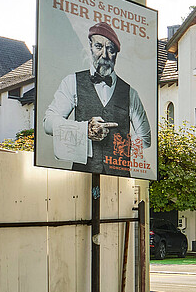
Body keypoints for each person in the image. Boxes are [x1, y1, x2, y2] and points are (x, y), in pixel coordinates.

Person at [43, 21, 151, 176]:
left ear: (116, 53)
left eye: (110, 49)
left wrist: (120, 148)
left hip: (119, 178)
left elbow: (145, 137)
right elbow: (48, 123)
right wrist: (84, 130)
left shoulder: (130, 92)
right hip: (82, 175)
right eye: (99, 47)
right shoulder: (72, 82)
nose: (104, 55)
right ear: (90, 47)